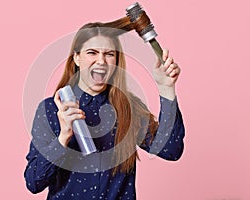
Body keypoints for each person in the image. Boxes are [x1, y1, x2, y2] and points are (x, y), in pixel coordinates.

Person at [24, 22, 185, 200]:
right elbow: (33, 182)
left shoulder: (128, 107)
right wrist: (63, 137)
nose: (101, 61)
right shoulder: (50, 110)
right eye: (92, 52)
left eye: (109, 54)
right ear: (77, 58)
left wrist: (166, 89)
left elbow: (171, 150)